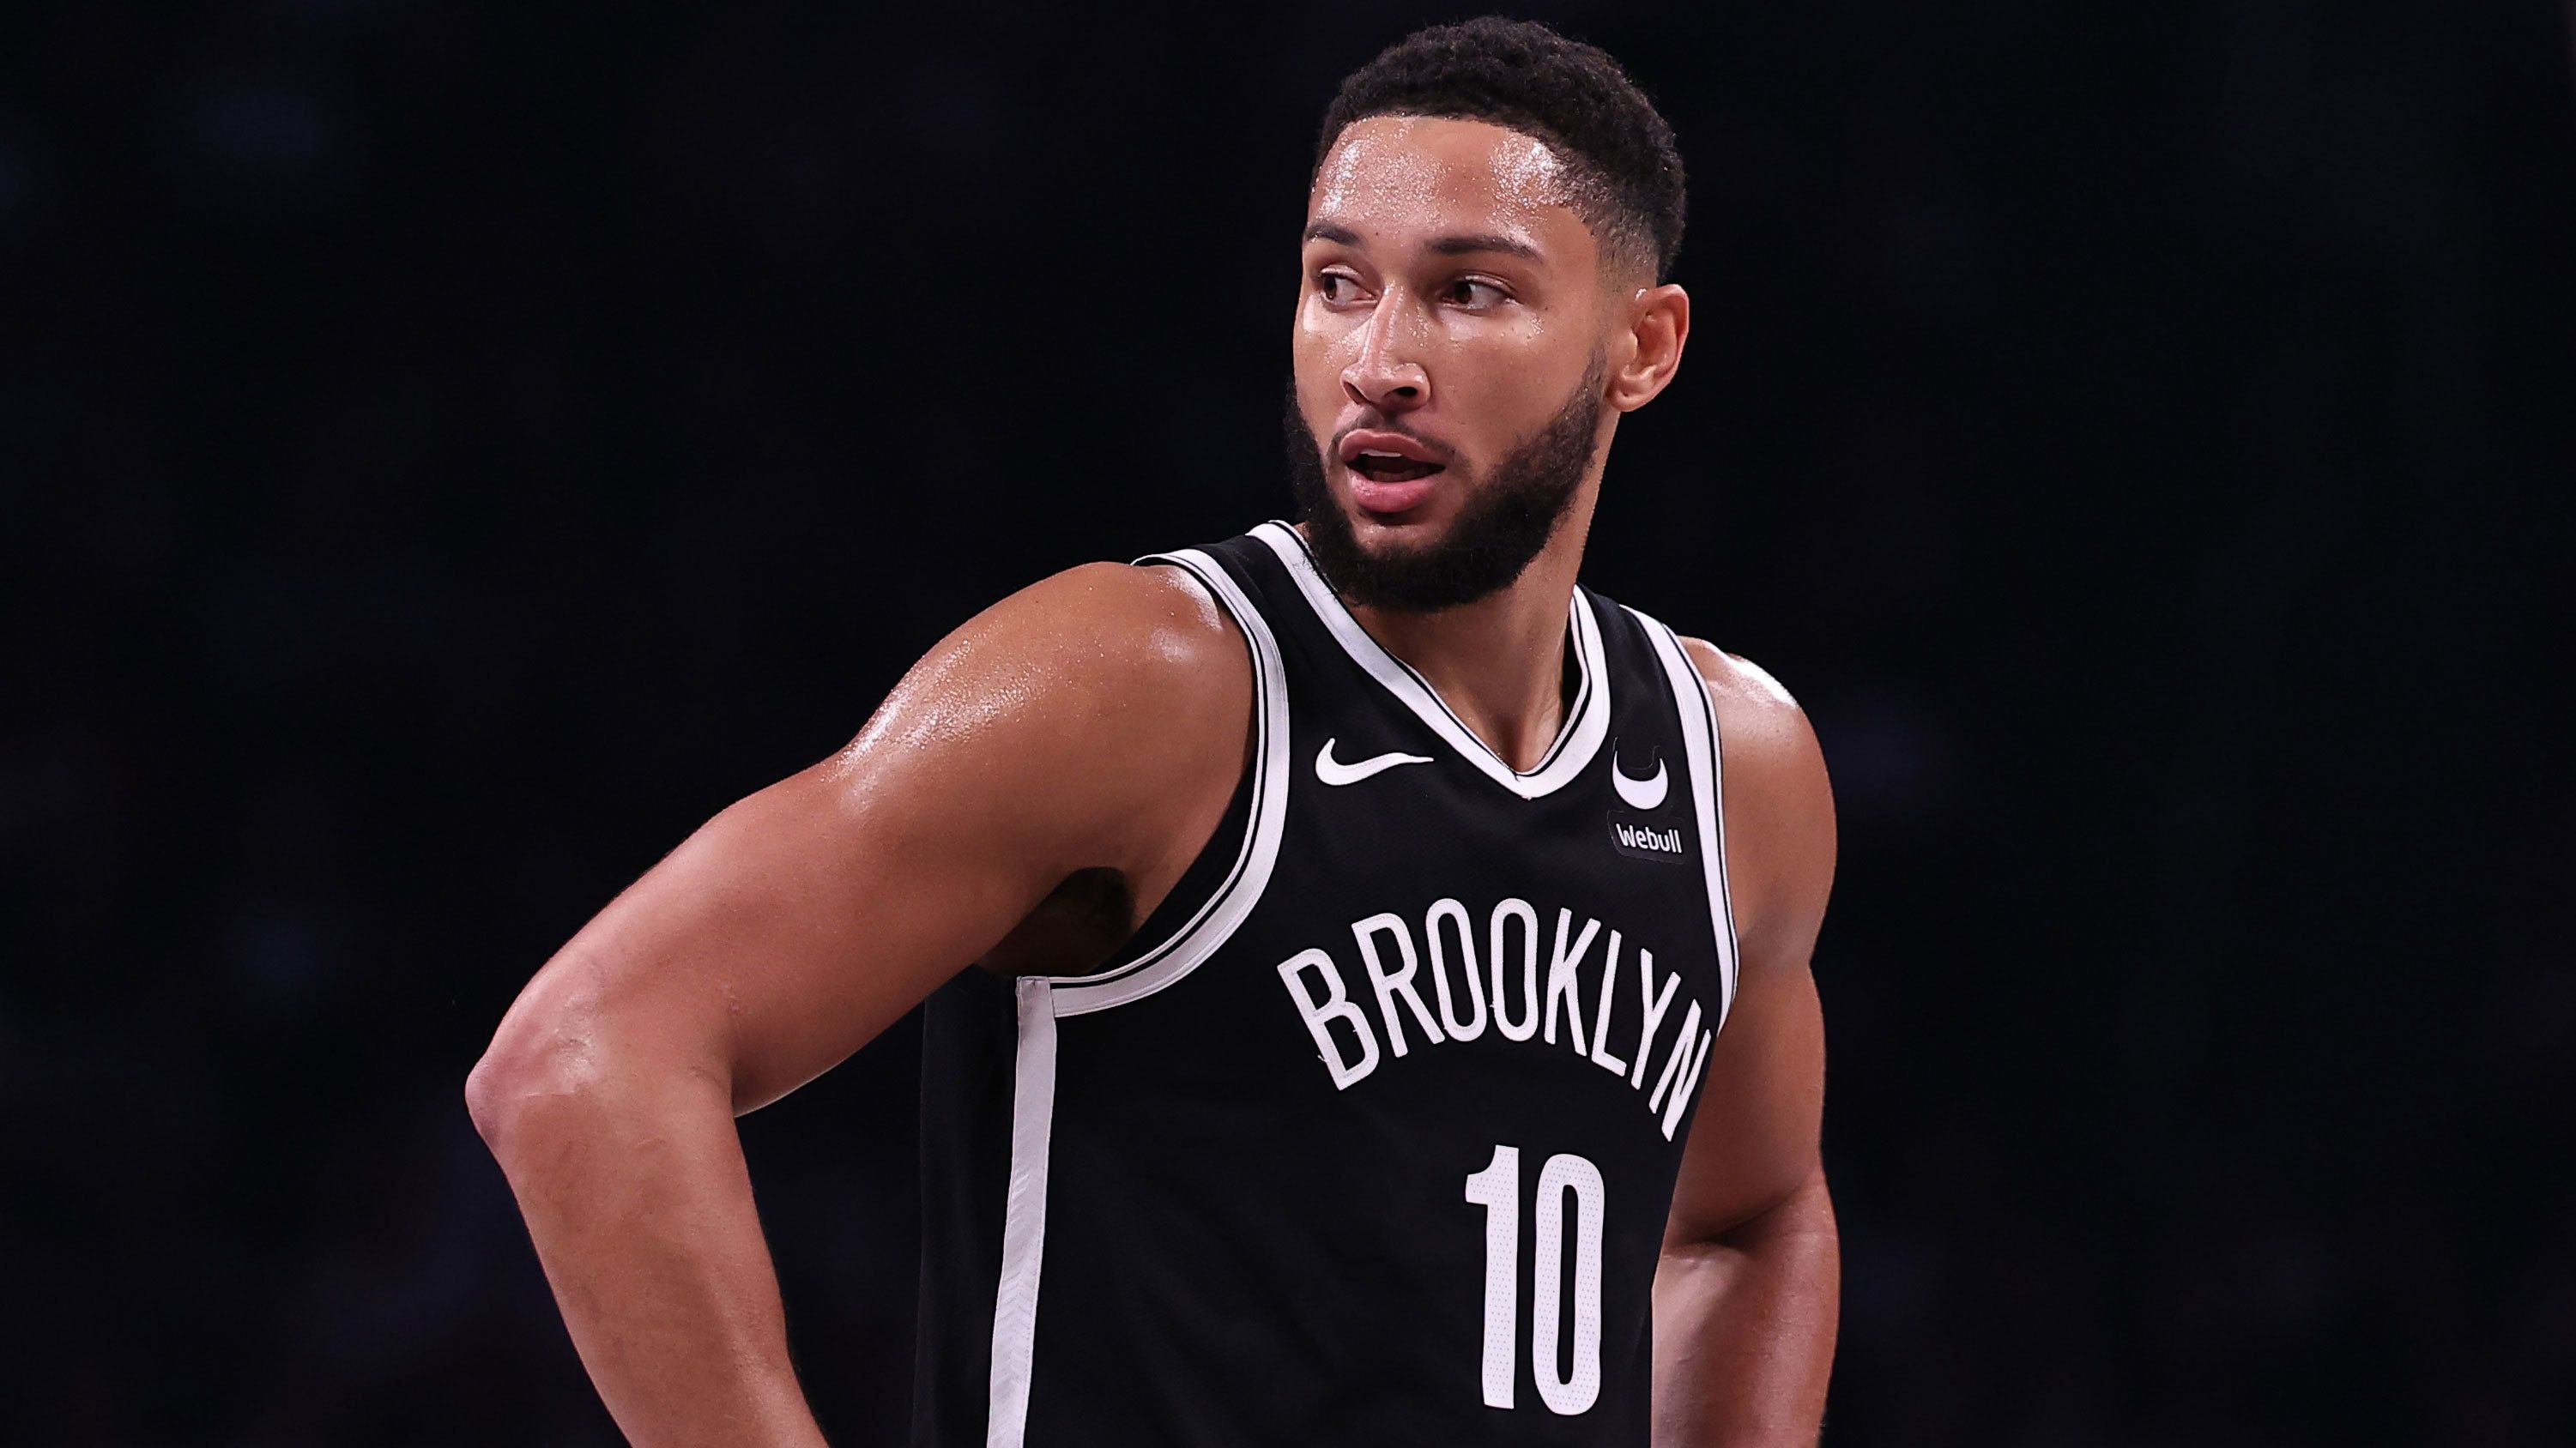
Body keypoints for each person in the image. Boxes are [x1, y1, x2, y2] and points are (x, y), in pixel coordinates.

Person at [468, 16, 1839, 1446]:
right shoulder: (1151, 684)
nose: (1377, 360)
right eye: (1336, 284)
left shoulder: (1733, 769)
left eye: (1469, 293)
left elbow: (1750, 1218)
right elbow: (587, 1056)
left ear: (1642, 345)